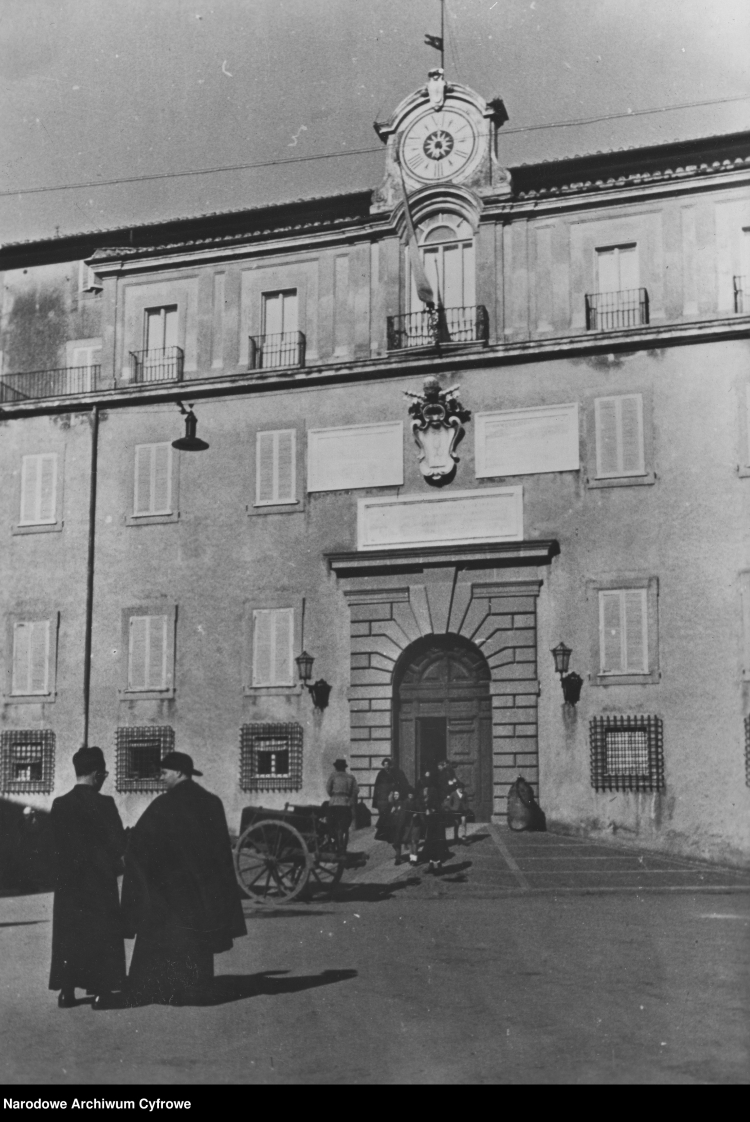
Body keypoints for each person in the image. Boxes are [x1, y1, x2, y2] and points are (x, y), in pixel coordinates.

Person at [121, 751, 246, 1006]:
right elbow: (222, 851)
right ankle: (197, 988)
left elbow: (140, 845)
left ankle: (161, 988)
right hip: (201, 891)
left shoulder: (163, 805)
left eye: (164, 772)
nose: (161, 777)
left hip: (168, 891)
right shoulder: (212, 802)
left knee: (166, 937)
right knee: (195, 938)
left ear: (178, 773)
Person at [49, 746, 127, 1010]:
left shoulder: (60, 804)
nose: (104, 778)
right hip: (100, 883)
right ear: (96, 774)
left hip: (69, 884)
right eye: (103, 773)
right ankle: (101, 993)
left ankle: (67, 993)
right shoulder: (105, 804)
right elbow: (118, 846)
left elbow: (50, 848)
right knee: (101, 935)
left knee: (69, 934)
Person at [417, 768, 451, 875]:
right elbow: (419, 803)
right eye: (425, 777)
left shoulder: (434, 790)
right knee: (429, 842)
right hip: (426, 820)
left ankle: (439, 865)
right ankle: (431, 864)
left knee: (436, 842)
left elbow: (438, 804)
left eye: (428, 777)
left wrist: (431, 809)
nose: (426, 780)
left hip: (436, 820)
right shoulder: (421, 791)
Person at [325, 758, 359, 856]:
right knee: (344, 828)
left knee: (331, 826)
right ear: (344, 767)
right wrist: (349, 799)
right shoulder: (350, 777)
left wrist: (334, 795)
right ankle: (343, 847)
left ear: (336, 767)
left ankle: (332, 844)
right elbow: (356, 791)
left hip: (334, 804)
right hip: (345, 804)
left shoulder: (333, 776)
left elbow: (328, 789)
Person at [372, 757, 409, 841]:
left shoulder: (395, 773)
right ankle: (383, 833)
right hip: (382, 798)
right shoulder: (380, 774)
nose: (386, 766)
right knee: (383, 815)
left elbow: (400, 784)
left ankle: (388, 833)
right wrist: (376, 800)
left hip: (391, 798)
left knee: (389, 816)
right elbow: (376, 787)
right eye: (384, 764)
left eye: (387, 764)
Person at [437, 759, 470, 843]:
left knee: (459, 821)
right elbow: (441, 785)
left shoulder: (451, 772)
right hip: (447, 797)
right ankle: (451, 836)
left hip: (454, 798)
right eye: (443, 765)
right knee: (451, 820)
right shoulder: (441, 774)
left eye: (446, 764)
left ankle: (461, 836)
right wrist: (449, 785)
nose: (445, 766)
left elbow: (456, 782)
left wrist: (454, 783)